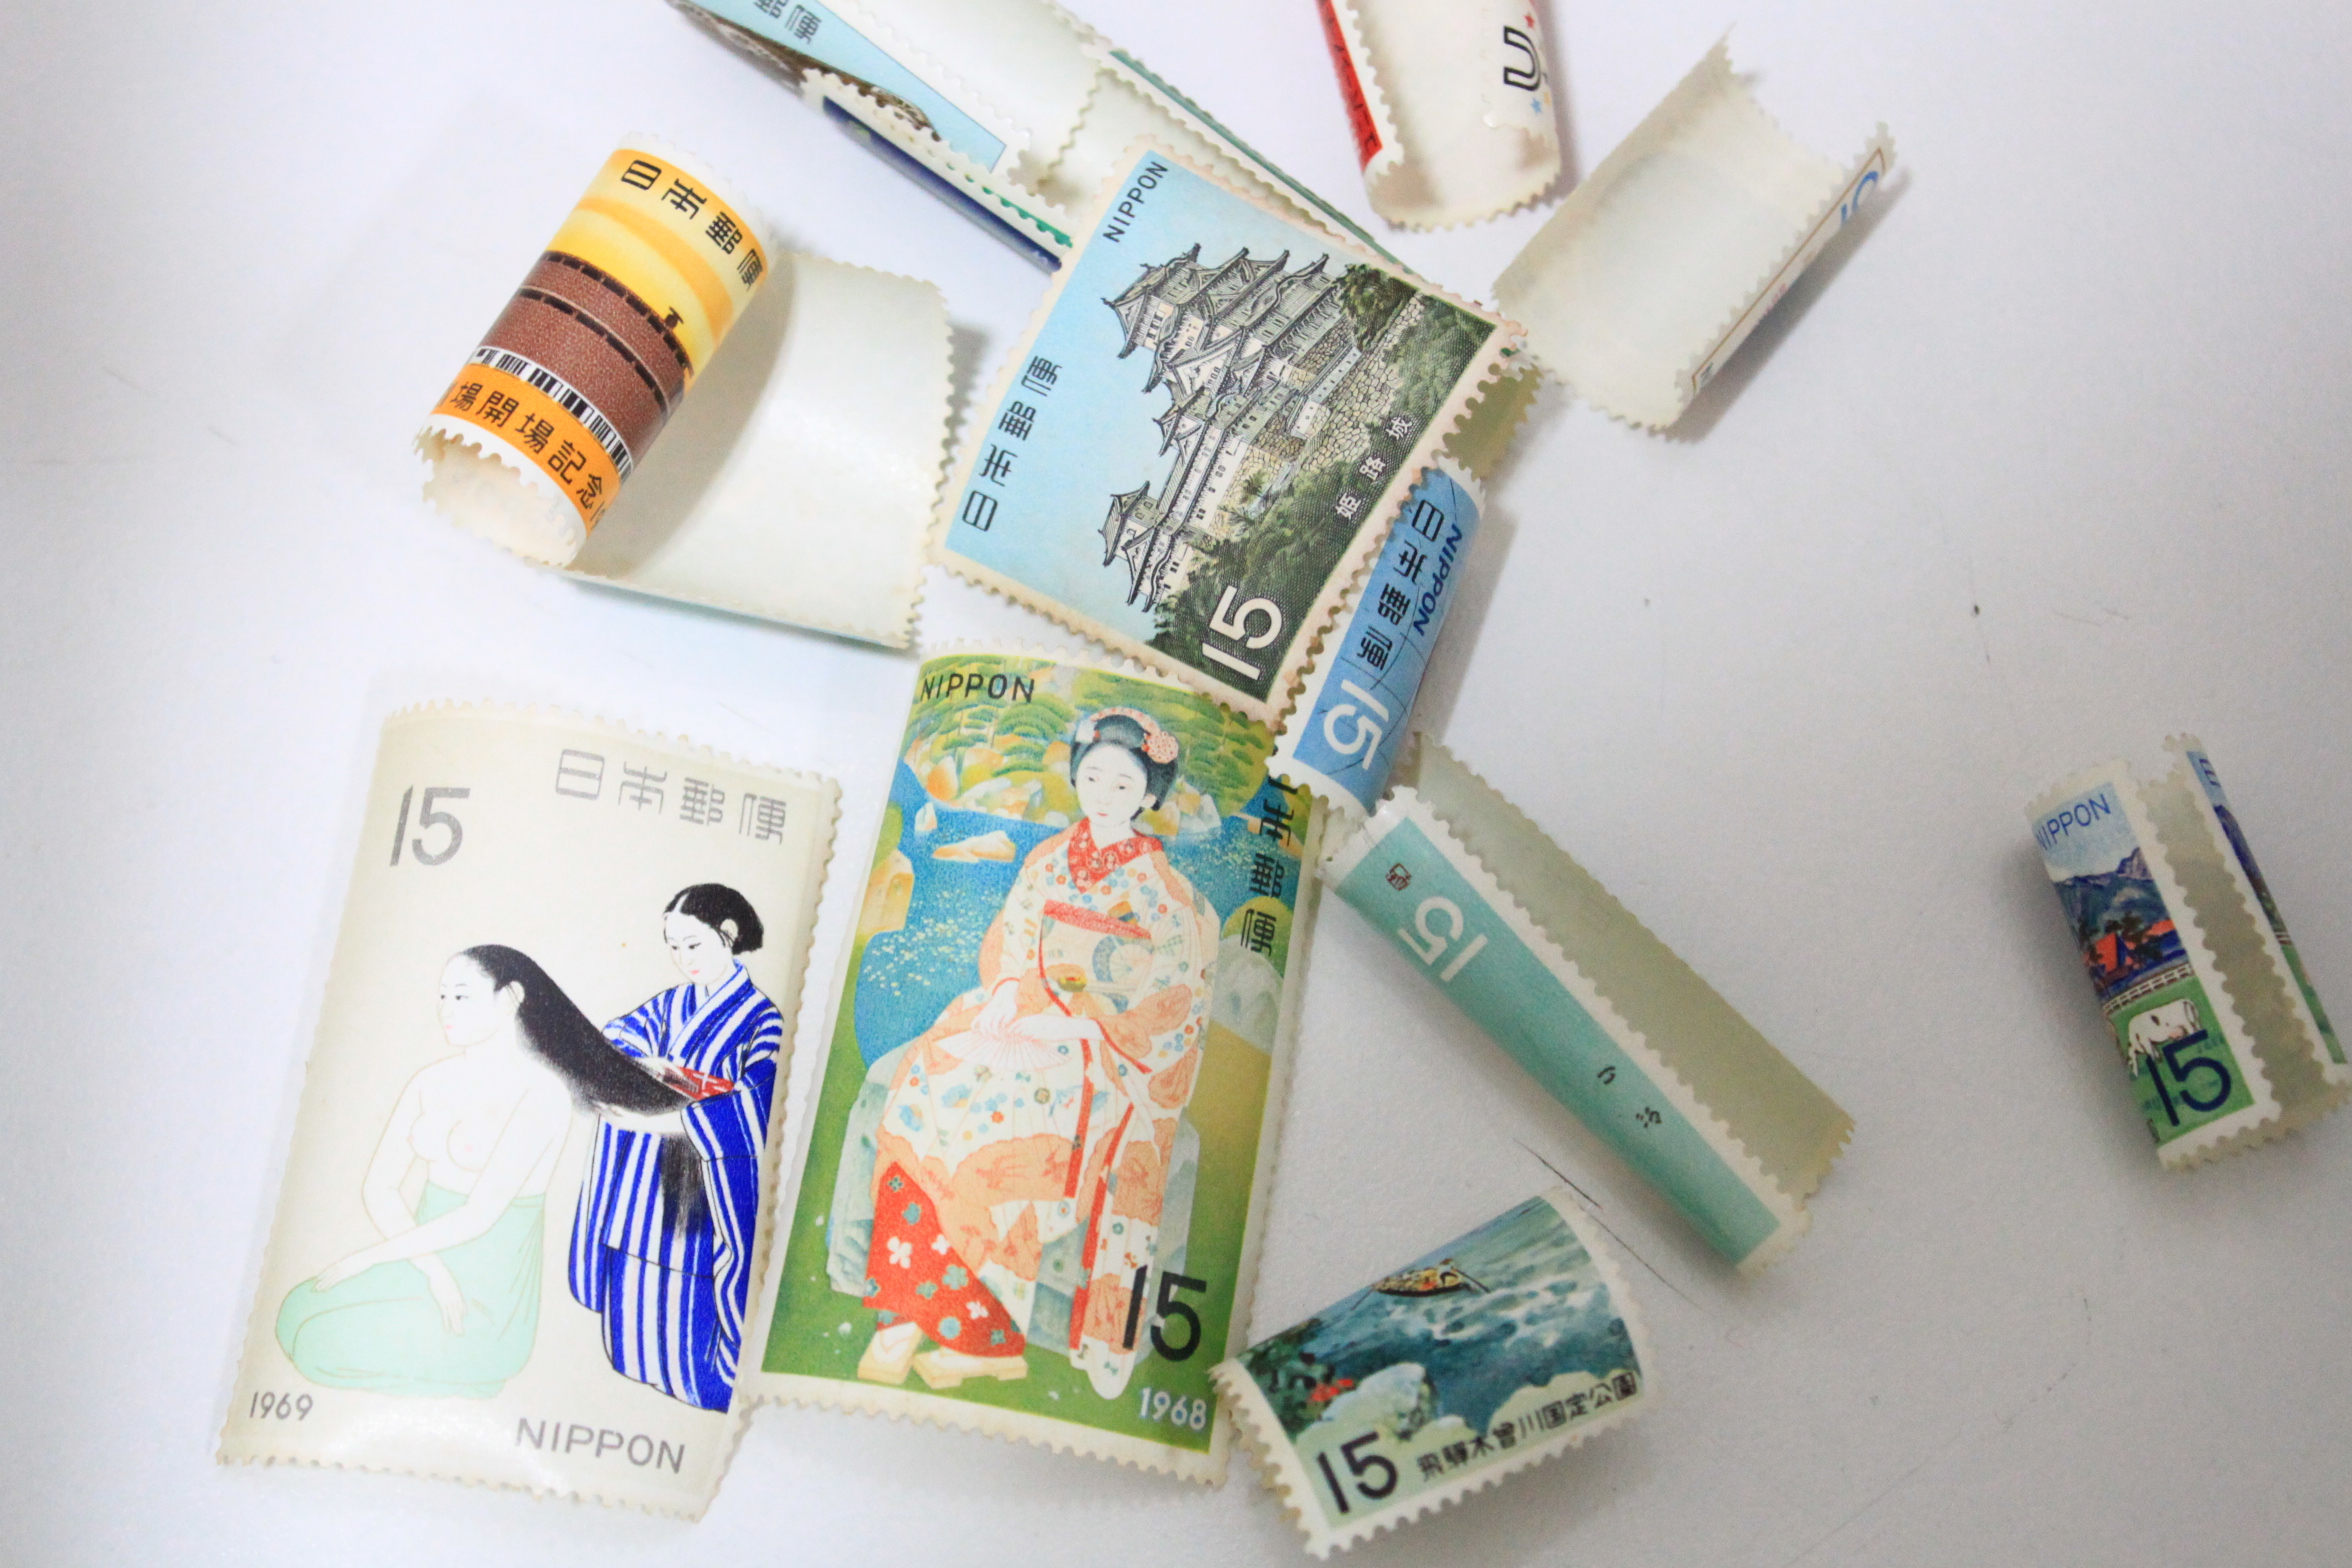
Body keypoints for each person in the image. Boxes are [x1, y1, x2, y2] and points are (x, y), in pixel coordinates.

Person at [856, 708, 1218, 1397]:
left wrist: (1089, 1028)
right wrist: (1005, 995)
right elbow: (1015, 937)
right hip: (1025, 1015)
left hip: (1099, 1052)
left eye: (1123, 783)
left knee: (1002, 1137)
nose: (1103, 792)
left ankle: (983, 1337)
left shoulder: (1159, 890)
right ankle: (902, 1313)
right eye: (1093, 776)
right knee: (925, 1099)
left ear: (1148, 795)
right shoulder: (1050, 857)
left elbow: (1172, 992)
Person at [276, 946, 576, 1398]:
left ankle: (474, 1376)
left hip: (486, 1295)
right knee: (294, 1314)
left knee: (317, 1344)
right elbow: (380, 1187)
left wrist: (369, 1257)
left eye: (461, 996)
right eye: (442, 997)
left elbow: (479, 1216)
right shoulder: (429, 1080)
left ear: (510, 997)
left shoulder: (542, 1093)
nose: (445, 1010)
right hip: (421, 1266)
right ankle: (453, 1373)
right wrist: (431, 1269)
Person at [569, 885, 780, 1412]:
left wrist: (672, 1114)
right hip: (643, 1170)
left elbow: (756, 1104)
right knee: (634, 1271)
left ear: (728, 935)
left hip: (702, 1174)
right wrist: (646, 1065)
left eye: (694, 944)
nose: (684, 958)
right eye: (674, 947)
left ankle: (696, 1380)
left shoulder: (763, 1019)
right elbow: (617, 1037)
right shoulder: (670, 1004)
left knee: (690, 1277)